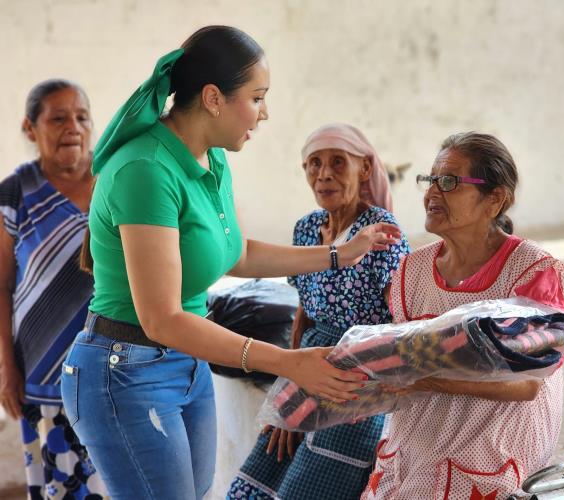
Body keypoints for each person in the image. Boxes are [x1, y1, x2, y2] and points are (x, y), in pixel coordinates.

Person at [59, 26, 400, 500]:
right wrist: (288, 362)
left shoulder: (211, 160)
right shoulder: (146, 170)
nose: (265, 113)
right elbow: (162, 318)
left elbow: (236, 253)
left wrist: (339, 253)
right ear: (214, 98)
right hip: (125, 371)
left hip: (186, 362)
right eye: (257, 97)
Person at [361, 132, 564, 500]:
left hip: (491, 440)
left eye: (448, 182)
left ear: (494, 199)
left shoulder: (529, 272)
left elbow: (527, 385)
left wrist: (427, 380)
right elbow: (404, 357)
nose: (432, 193)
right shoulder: (412, 271)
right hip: (414, 435)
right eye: (430, 180)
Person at [227, 123, 411, 500]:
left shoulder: (381, 233)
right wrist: (290, 397)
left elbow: (402, 321)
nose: (323, 174)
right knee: (256, 481)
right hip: (309, 368)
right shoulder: (308, 229)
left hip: (360, 383)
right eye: (313, 164)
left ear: (364, 169)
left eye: (337, 162)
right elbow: (303, 314)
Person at [0, 80, 107, 499]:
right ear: (31, 128)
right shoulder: (15, 193)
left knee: (111, 483)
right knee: (54, 488)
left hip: (109, 366)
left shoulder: (113, 182)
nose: (73, 128)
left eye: (81, 117)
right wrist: (7, 369)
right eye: (58, 118)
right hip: (40, 372)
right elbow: (2, 284)